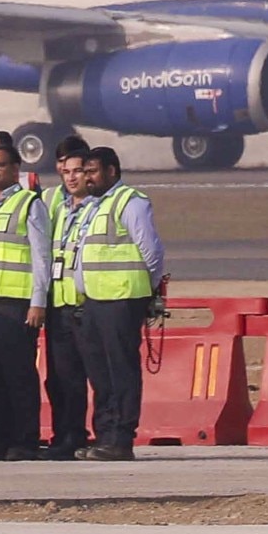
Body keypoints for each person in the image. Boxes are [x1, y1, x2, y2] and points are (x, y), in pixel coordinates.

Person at [75, 146, 166, 461]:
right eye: (85, 171)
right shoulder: (91, 206)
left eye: (93, 171)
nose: (87, 177)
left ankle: (121, 438)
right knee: (100, 373)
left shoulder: (130, 202)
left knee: (121, 371)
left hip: (122, 299)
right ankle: (104, 435)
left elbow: (151, 251)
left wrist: (148, 291)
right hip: (95, 300)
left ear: (111, 171)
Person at [0, 140, 51, 461]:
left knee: (19, 375)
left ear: (16, 170)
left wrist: (38, 301)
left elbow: (41, 256)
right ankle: (1, 436)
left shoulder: (29, 204)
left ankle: (25, 439)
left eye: (0, 166)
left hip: (17, 303)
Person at [42, 140, 95, 460]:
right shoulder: (55, 204)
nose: (69, 174)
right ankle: (63, 432)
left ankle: (79, 433)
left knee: (83, 376)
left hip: (85, 303)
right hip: (58, 302)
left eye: (77, 169)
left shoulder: (97, 206)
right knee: (59, 376)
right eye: (64, 166)